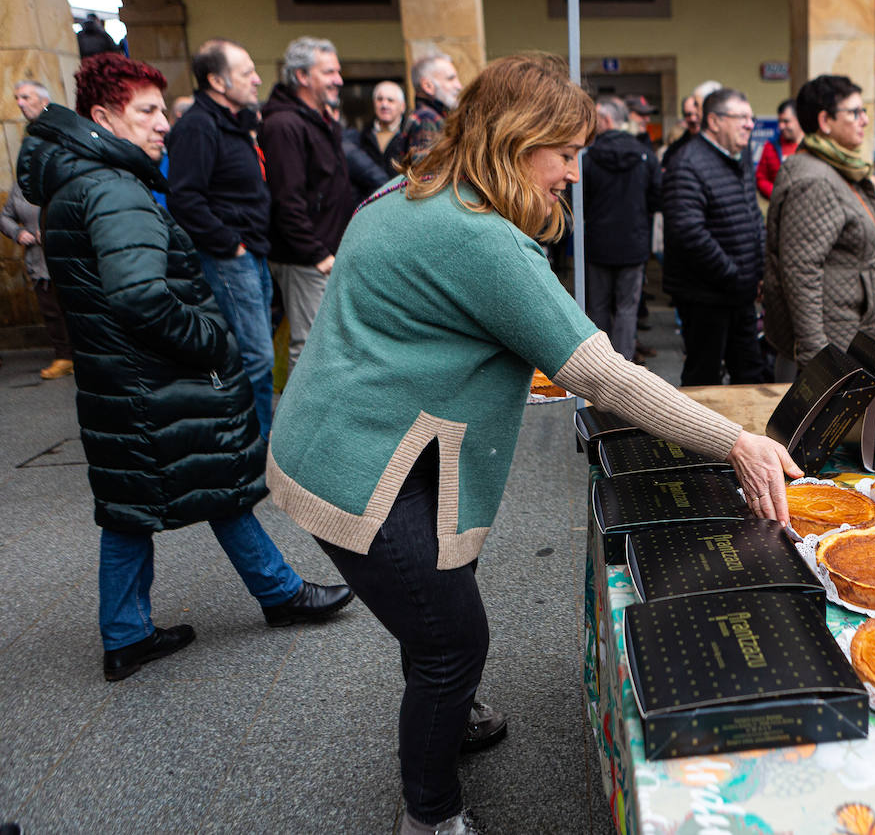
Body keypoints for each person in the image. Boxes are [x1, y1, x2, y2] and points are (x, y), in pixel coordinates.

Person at [262, 52, 800, 835]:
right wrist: (737, 442)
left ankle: (452, 708)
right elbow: (602, 374)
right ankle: (431, 815)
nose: (575, 175)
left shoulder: (407, 188)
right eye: (567, 154)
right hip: (359, 463)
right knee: (452, 637)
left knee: (437, 602)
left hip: (355, 436)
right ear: (517, 140)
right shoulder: (480, 237)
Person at [15, 53, 353, 683]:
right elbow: (141, 296)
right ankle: (274, 597)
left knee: (133, 504)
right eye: (146, 111)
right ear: (102, 116)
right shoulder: (112, 188)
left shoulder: (75, 181)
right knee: (203, 487)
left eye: (160, 109)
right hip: (151, 377)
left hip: (119, 377)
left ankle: (133, 633)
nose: (162, 123)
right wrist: (212, 340)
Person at [166, 38, 276, 437]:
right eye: (246, 72)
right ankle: (253, 441)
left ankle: (259, 437)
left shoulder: (237, 121)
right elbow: (185, 198)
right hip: (231, 256)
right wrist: (231, 243)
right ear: (216, 80)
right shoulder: (198, 126)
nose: (256, 78)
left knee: (258, 353)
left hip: (252, 253)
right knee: (257, 355)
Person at [763, 75, 875, 379]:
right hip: (831, 343)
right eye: (854, 112)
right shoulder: (814, 179)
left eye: (863, 111)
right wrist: (816, 359)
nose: (864, 120)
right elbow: (800, 272)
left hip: (848, 334)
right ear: (825, 121)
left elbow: (862, 232)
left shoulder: (837, 167)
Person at [662, 86, 769, 386]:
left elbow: (752, 217)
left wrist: (758, 272)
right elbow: (688, 233)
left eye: (751, 118)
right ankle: (697, 434)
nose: (750, 124)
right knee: (703, 377)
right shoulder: (687, 163)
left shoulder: (739, 156)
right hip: (705, 296)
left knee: (750, 372)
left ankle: (751, 433)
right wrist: (737, 276)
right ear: (715, 121)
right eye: (741, 118)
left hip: (740, 292)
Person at [259, 36, 352, 373]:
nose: (338, 80)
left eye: (337, 71)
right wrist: (318, 254)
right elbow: (287, 200)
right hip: (305, 260)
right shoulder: (285, 125)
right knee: (310, 350)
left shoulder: (319, 120)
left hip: (322, 255)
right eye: (328, 72)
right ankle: (302, 426)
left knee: (327, 347)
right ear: (301, 77)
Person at [2, 80, 73, 379]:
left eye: (25, 97)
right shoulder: (21, 185)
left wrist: (54, 229)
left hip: (67, 257)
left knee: (76, 307)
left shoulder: (64, 178)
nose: (19, 102)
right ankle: (64, 356)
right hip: (39, 261)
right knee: (51, 312)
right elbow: (4, 215)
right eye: (16, 97)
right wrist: (19, 233)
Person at [583, 96, 662, 360]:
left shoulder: (588, 158)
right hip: (633, 243)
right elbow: (657, 197)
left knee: (598, 307)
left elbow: (579, 201)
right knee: (628, 308)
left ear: (606, 120)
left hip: (598, 244)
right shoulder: (645, 156)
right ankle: (624, 368)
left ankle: (599, 367)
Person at [402, 54, 462, 159]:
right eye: (450, 79)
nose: (459, 86)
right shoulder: (426, 119)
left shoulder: (433, 116)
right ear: (428, 86)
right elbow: (425, 171)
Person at [755, 98, 802, 199]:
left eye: (786, 121)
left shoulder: (811, 146)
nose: (781, 126)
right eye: (779, 121)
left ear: (799, 119)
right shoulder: (770, 146)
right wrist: (779, 195)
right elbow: (760, 179)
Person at [359, 80, 408, 174]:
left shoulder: (409, 134)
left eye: (390, 100)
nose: (384, 105)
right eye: (380, 99)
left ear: (402, 107)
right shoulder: (363, 136)